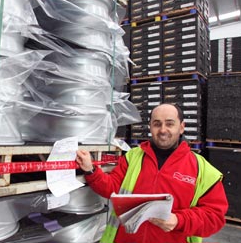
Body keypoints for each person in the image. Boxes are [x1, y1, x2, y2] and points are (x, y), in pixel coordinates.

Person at [76, 103, 228, 243]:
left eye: (169, 124)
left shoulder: (202, 169)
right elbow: (112, 188)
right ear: (150, 127)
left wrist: (179, 220)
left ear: (181, 127)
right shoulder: (132, 157)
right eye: (157, 124)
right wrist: (91, 170)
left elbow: (214, 217)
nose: (162, 130)